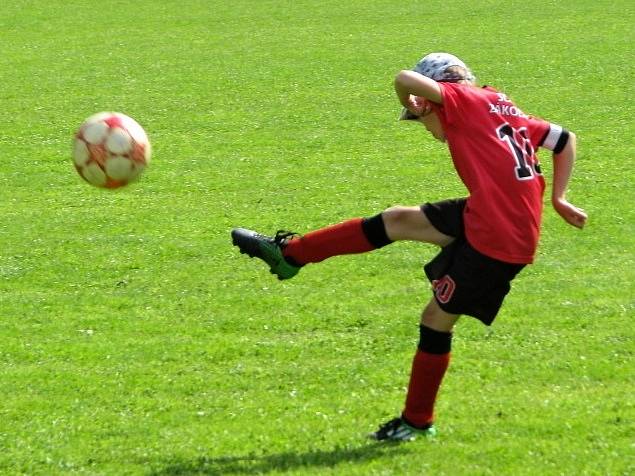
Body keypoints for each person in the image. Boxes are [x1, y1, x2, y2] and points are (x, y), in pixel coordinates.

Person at [231, 52, 587, 442]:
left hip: (499, 239)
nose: (422, 125)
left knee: (436, 319)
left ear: (435, 101)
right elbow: (564, 139)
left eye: (420, 117)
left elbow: (404, 78)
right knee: (399, 219)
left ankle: (416, 421)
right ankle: (290, 255)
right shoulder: (499, 105)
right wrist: (559, 198)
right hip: (487, 214)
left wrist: (411, 99)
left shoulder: (463, 100)